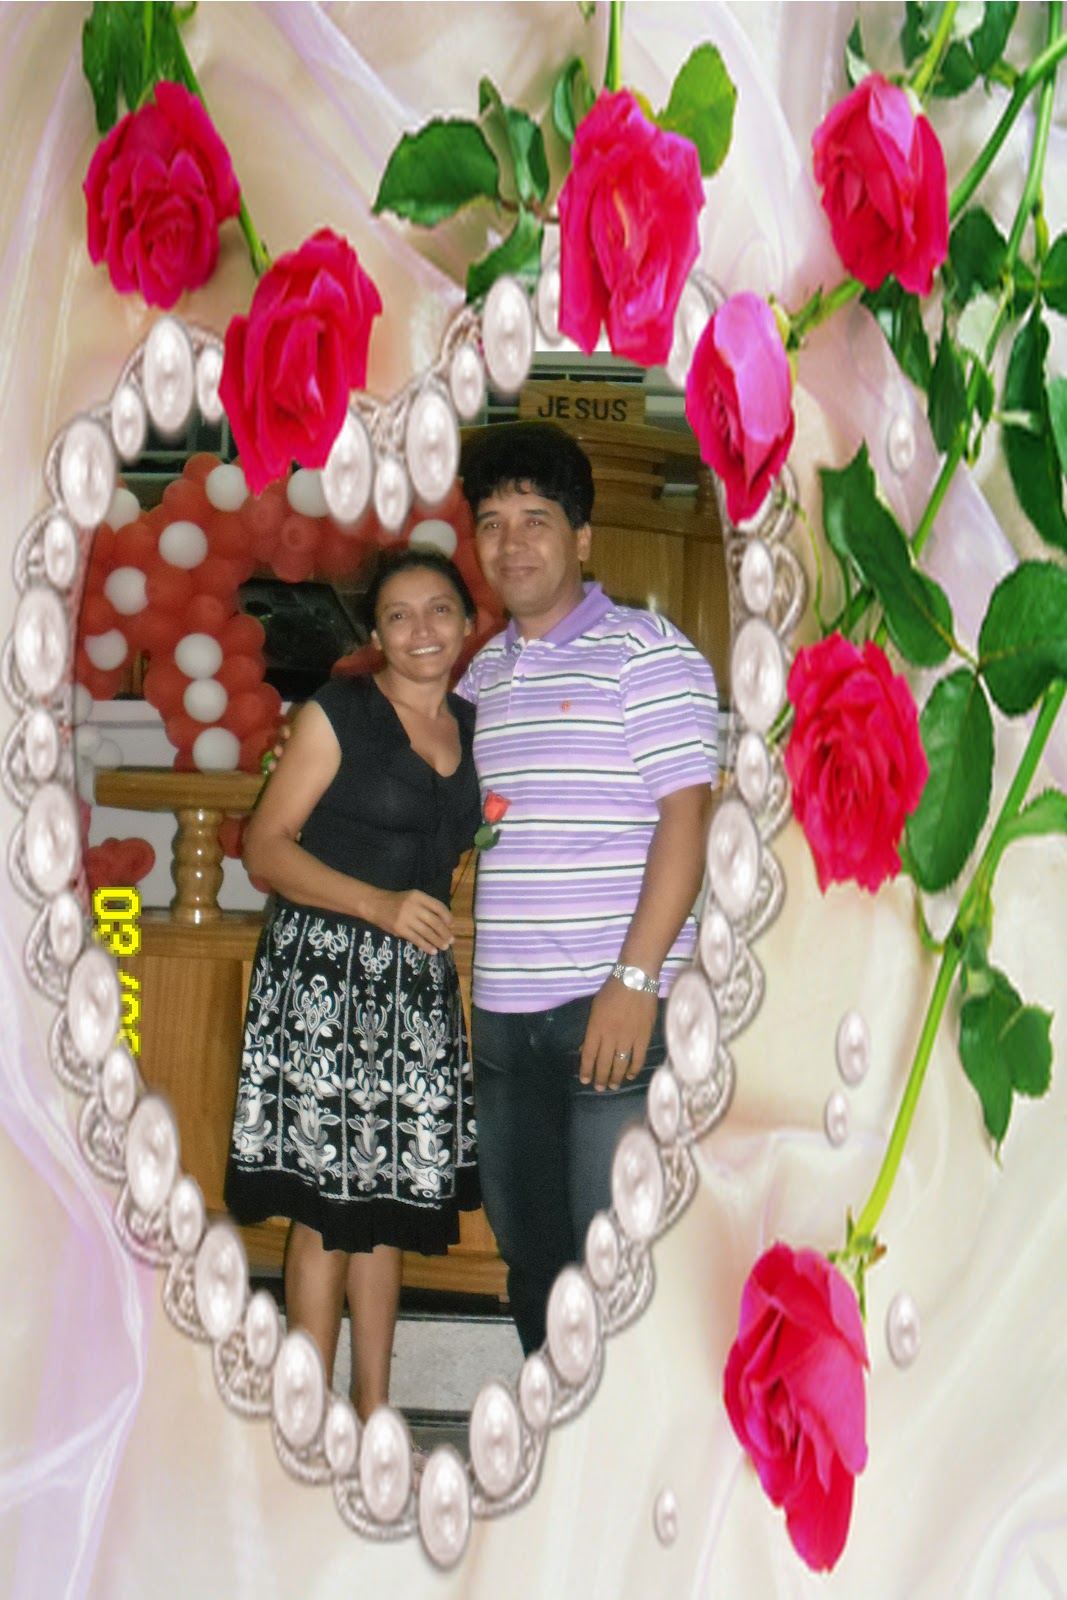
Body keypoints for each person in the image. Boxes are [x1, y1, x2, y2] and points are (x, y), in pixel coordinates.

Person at [457, 422, 718, 1355]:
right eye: (491, 523)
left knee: (615, 1266)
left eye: (535, 519)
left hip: (610, 1009)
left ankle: (627, 1447)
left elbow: (687, 822)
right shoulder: (482, 675)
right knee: (531, 1260)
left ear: (581, 536)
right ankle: (553, 1437)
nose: (511, 543)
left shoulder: (647, 653)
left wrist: (635, 982)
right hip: (503, 1016)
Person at [224, 548, 482, 1419]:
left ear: (466, 623)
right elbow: (266, 849)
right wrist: (377, 904)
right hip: (324, 981)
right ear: (376, 633)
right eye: (398, 615)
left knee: (387, 1204)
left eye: (438, 610)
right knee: (326, 1208)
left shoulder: (474, 726)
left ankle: (373, 1413)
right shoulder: (338, 714)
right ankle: (307, 1425)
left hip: (414, 990)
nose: (421, 630)